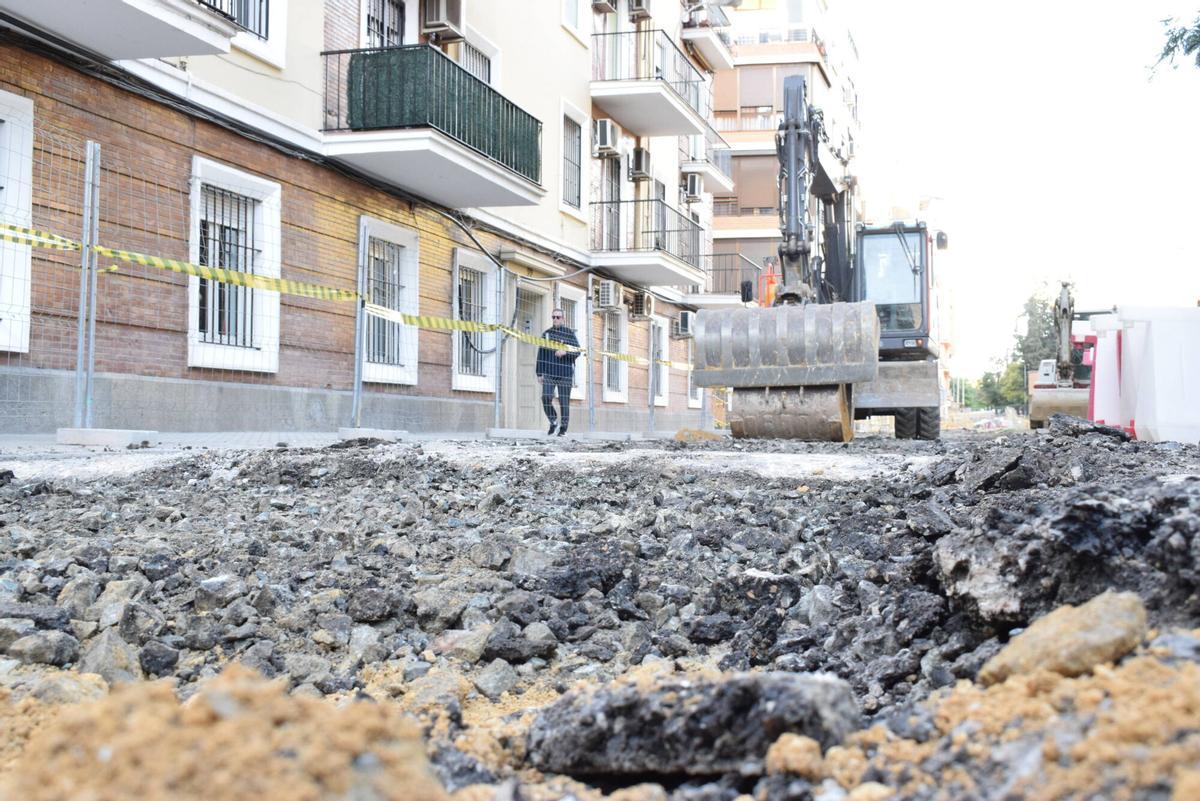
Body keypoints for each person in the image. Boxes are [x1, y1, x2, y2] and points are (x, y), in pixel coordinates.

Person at [535, 309, 580, 436]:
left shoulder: (569, 334)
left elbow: (578, 351)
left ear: (563, 319)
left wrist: (565, 352)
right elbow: (541, 354)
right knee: (546, 397)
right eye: (553, 317)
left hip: (565, 374)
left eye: (558, 317)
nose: (555, 319)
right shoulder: (547, 334)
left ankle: (563, 429)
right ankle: (553, 420)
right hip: (549, 373)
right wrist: (539, 373)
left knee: (564, 401)